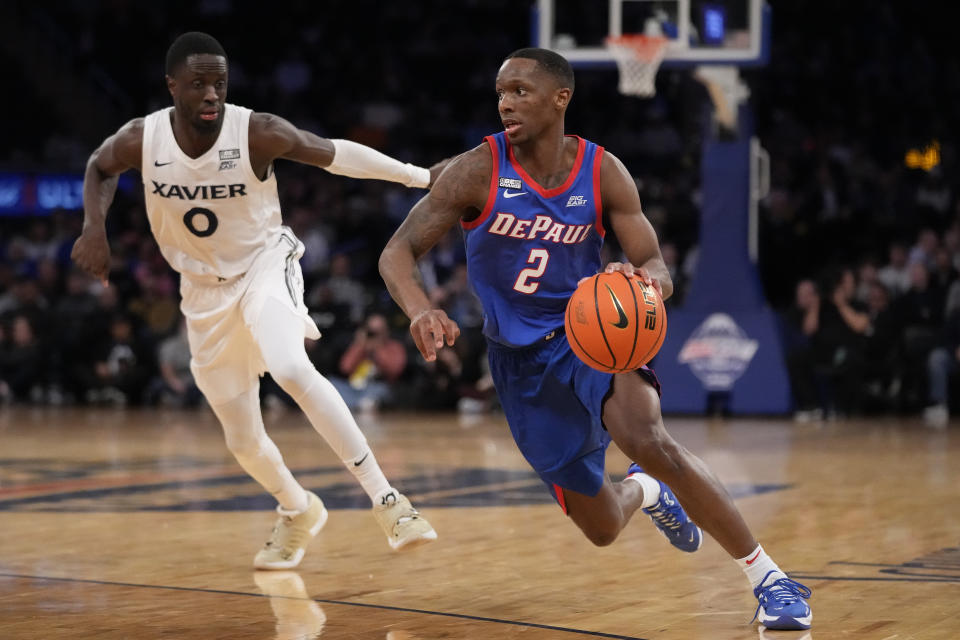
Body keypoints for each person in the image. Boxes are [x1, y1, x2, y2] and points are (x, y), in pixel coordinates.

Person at [379, 48, 812, 630]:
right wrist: (419, 309)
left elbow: (655, 262)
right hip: (518, 363)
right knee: (603, 527)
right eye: (501, 91)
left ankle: (770, 579)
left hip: (591, 336)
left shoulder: (602, 172)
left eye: (521, 91)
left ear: (561, 98)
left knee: (647, 436)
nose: (506, 102)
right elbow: (397, 252)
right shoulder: (475, 170)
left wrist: (644, 283)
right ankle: (648, 494)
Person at [71, 32, 437, 569]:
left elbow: (334, 155)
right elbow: (98, 167)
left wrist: (420, 177)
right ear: (172, 86)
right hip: (200, 292)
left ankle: (389, 500)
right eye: (198, 84)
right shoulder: (140, 138)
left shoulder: (256, 131)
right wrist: (93, 228)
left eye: (219, 82)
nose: (212, 94)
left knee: (290, 364)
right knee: (243, 439)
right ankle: (297, 509)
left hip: (264, 265)